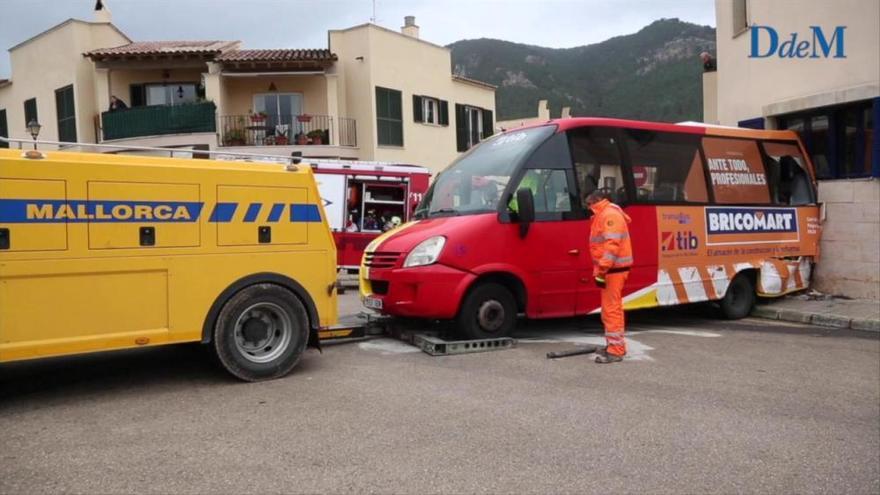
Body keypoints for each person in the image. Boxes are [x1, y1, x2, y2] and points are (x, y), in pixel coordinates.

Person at [585, 189, 633, 364]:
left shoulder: (608, 215)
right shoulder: (606, 214)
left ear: (596, 201)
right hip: (613, 270)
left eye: (589, 205)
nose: (589, 209)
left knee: (611, 310)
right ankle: (614, 345)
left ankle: (616, 350)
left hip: (612, 270)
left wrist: (602, 269)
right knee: (612, 309)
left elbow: (612, 246)